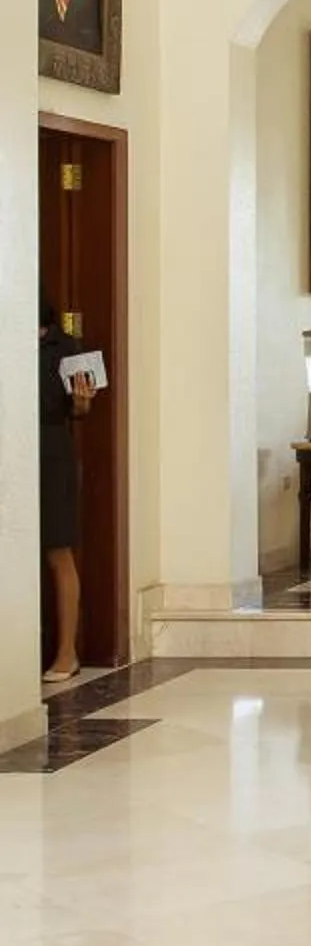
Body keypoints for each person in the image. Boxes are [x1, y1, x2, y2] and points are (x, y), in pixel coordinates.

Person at [39, 292, 94, 685]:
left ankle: (66, 652)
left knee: (58, 548)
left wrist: (81, 402)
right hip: (12, 445)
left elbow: (81, 411)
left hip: (51, 447)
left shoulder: (67, 347)